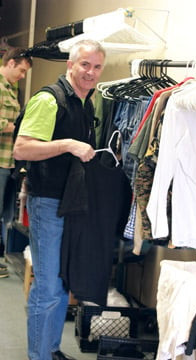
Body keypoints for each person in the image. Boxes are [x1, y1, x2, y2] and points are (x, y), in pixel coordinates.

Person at [13, 39, 105, 360]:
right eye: (84, 65)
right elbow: (22, 148)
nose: (90, 72)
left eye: (96, 67)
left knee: (61, 284)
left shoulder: (87, 102)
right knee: (47, 287)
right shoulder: (49, 100)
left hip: (73, 204)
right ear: (70, 64)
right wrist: (67, 144)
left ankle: (50, 349)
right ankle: (39, 355)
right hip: (48, 202)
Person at [0, 48, 32, 278]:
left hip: (8, 160)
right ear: (11, 63)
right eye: (21, 70)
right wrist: (20, 127)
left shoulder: (10, 88)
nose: (22, 76)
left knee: (5, 212)